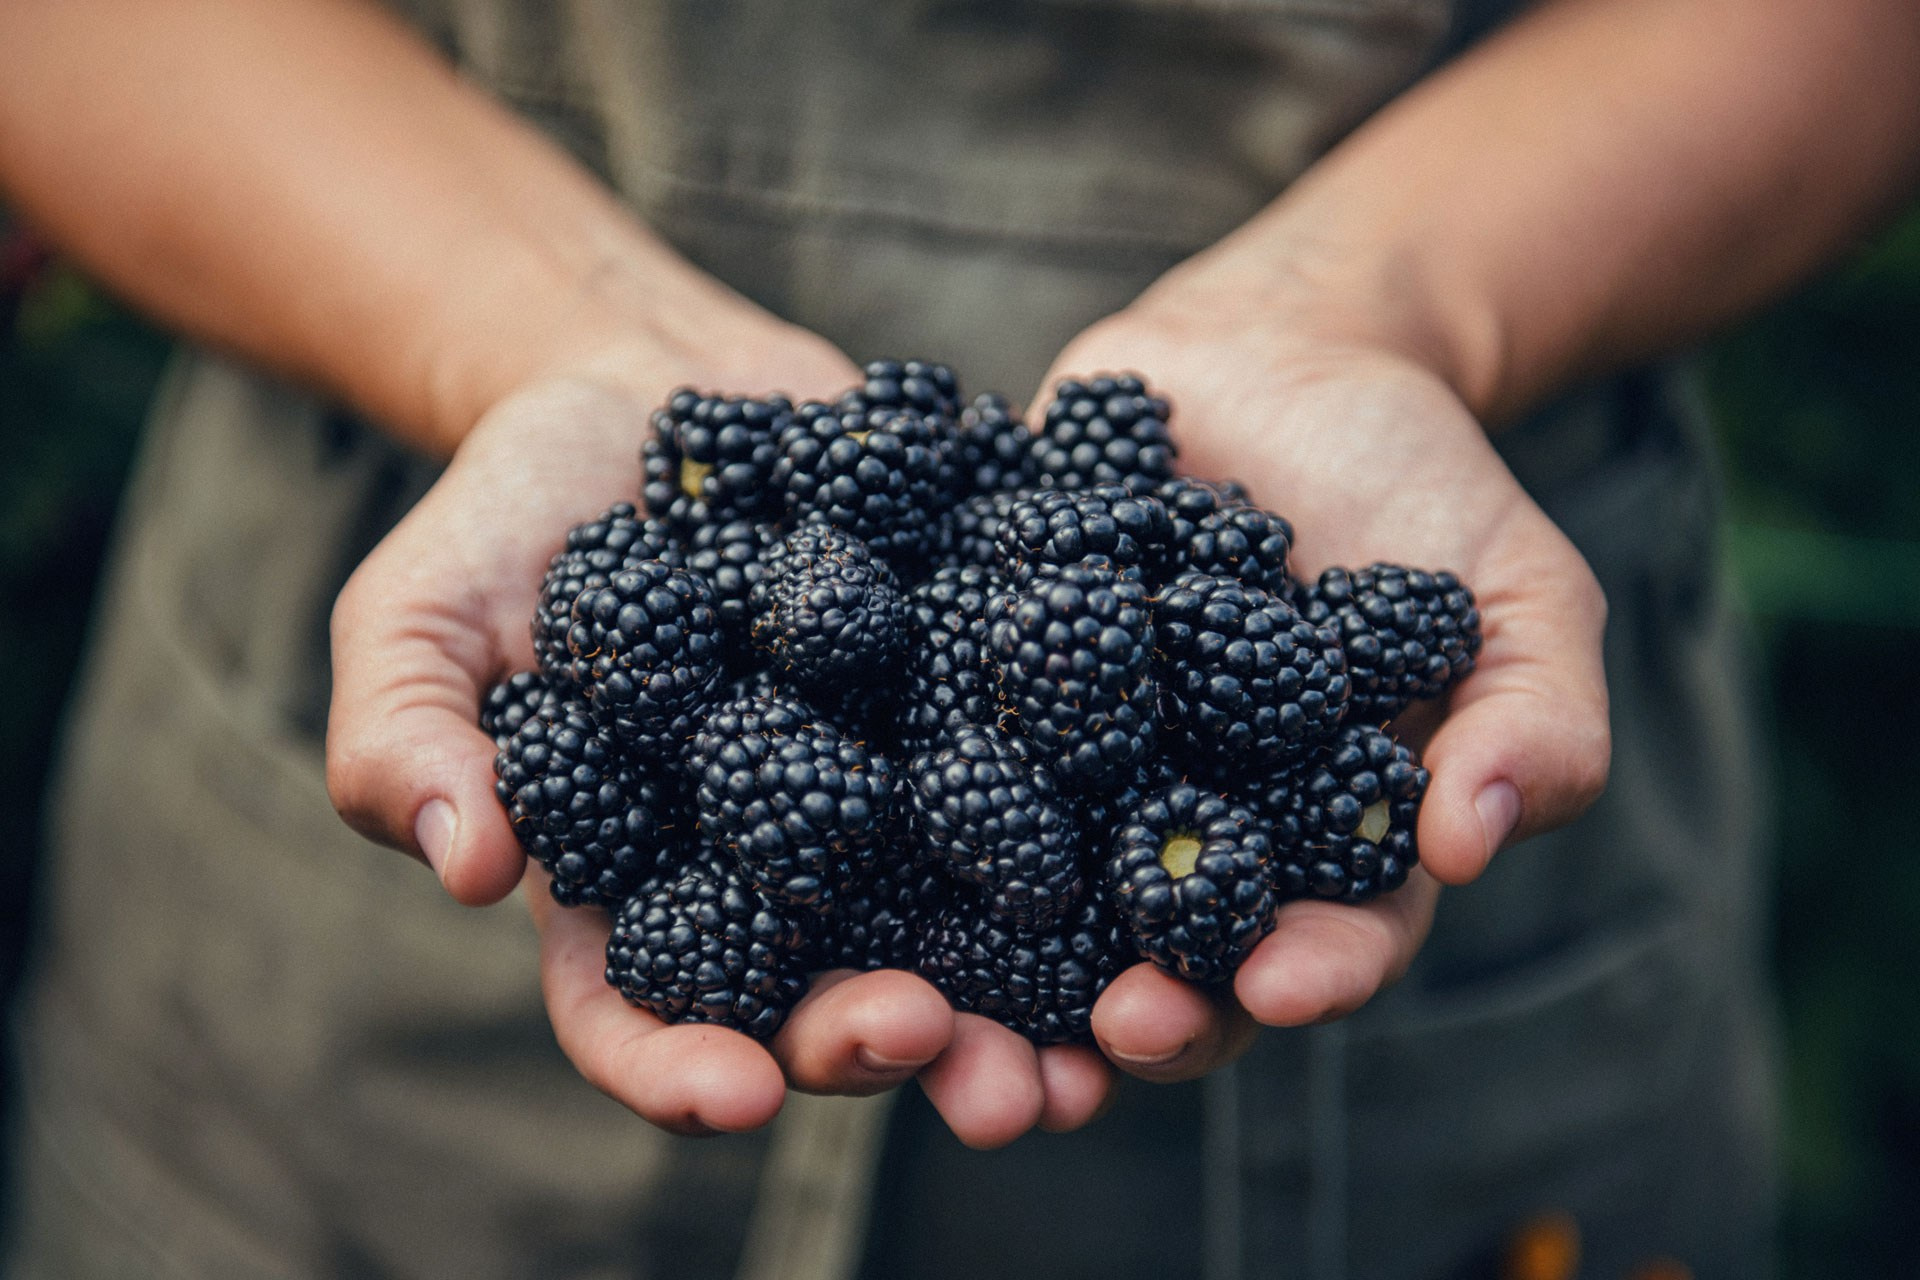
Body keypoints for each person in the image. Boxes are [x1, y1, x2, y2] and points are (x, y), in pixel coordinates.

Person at [1, 0, 1915, 1275]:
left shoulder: (1096, 650)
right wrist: (525, 339)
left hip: (1459, 1103)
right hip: (318, 1071)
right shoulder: (770, 644)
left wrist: (1400, 310)